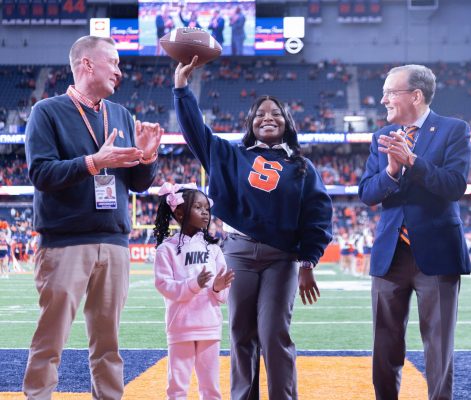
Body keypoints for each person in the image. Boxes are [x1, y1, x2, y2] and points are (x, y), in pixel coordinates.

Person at [173, 56, 333, 400]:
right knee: (240, 332)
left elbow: (318, 218)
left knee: (275, 332)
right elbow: (195, 133)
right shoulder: (231, 155)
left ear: (287, 123)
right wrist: (182, 89)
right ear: (251, 123)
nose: (268, 117)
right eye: (260, 114)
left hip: (282, 257)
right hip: (239, 252)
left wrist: (308, 263)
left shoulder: (302, 166)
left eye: (275, 113)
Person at [23, 35, 163, 399]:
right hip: (65, 241)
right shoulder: (47, 111)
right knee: (50, 340)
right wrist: (93, 162)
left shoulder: (121, 115)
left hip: (114, 241)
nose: (119, 70)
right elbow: (40, 173)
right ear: (87, 64)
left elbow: (137, 184)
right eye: (113, 62)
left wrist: (147, 158)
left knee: (109, 344)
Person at [359, 64, 471, 400]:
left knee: (438, 347)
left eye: (390, 92)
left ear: (416, 95)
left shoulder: (453, 129)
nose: (383, 100)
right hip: (390, 256)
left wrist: (413, 162)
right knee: (384, 345)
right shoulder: (380, 137)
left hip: (437, 254)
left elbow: (455, 186)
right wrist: (391, 173)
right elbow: (367, 193)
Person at [153, 182, 235, 400]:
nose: (205, 213)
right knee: (178, 389)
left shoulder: (214, 249)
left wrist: (218, 288)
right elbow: (164, 286)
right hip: (181, 328)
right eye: (198, 208)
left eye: (207, 209)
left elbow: (223, 296)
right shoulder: (166, 250)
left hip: (210, 326)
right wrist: (194, 284)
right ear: (179, 212)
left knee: (211, 389)